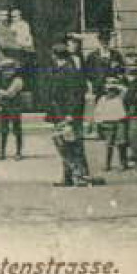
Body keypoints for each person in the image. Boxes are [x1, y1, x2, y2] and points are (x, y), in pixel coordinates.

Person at [38, 42, 93, 188]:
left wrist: (70, 114)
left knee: (72, 144)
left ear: (56, 55)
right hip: (59, 113)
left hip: (68, 114)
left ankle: (80, 176)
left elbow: (75, 95)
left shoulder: (70, 71)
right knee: (63, 144)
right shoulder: (59, 69)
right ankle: (69, 176)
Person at [92, 77, 130, 173]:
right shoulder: (102, 99)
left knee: (121, 143)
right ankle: (107, 164)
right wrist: (98, 124)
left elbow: (125, 89)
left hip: (120, 122)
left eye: (113, 90)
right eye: (109, 90)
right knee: (109, 144)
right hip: (107, 123)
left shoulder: (120, 97)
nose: (111, 92)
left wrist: (115, 84)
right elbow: (97, 113)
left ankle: (123, 163)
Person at [0, 59, 27, 160]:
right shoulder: (1, 80)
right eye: (5, 70)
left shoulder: (18, 80)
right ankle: (2, 152)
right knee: (3, 130)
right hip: (4, 107)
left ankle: (18, 152)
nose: (7, 73)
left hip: (15, 107)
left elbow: (10, 93)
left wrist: (0, 92)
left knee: (17, 130)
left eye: (9, 70)